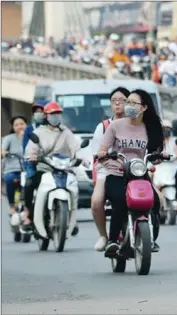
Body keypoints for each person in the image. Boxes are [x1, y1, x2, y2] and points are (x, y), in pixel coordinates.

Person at [97, 89, 165, 257]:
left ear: (144, 108)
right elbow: (103, 149)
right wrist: (104, 155)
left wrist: (159, 156)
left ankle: (151, 238)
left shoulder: (150, 127)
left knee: (155, 201)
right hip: (117, 172)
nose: (128, 106)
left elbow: (155, 154)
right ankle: (112, 240)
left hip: (139, 173)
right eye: (128, 102)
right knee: (120, 200)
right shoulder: (115, 126)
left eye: (133, 103)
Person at [23, 102, 82, 234]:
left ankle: (72, 219)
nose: (55, 117)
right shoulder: (38, 132)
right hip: (44, 168)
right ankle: (29, 215)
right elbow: (30, 149)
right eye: (52, 114)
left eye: (58, 114)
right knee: (29, 184)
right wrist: (32, 156)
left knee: (74, 186)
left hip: (64, 168)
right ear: (46, 116)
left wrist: (81, 158)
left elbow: (75, 147)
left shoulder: (66, 132)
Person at [91, 87, 129, 252]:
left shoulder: (137, 124)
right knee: (97, 201)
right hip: (106, 169)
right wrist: (104, 156)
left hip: (131, 168)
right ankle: (104, 236)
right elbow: (96, 151)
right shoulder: (103, 126)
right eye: (114, 101)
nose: (118, 103)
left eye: (122, 100)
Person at [2, 116, 27, 216]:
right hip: (13, 169)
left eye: (22, 124)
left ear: (26, 125)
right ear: (13, 127)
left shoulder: (31, 137)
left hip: (27, 168)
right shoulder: (9, 138)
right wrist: (4, 152)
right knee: (9, 179)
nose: (19, 126)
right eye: (16, 125)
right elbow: (2, 149)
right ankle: (12, 205)